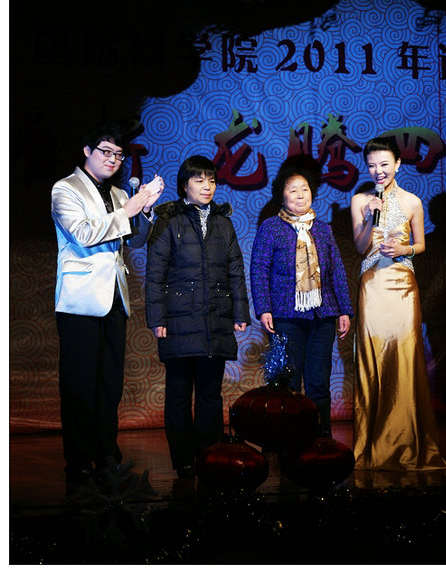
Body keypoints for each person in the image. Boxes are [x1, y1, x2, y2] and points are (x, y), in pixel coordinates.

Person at [51, 121, 164, 496]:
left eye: (118, 154)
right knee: (79, 385)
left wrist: (144, 210)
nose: (114, 159)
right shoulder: (65, 189)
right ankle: (79, 461)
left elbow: (135, 238)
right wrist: (128, 209)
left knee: (109, 384)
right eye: (106, 151)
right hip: (80, 300)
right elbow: (83, 234)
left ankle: (107, 455)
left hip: (115, 297)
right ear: (87, 151)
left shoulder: (117, 193)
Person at [145, 155, 250, 478]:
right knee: (178, 395)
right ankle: (184, 461)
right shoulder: (168, 220)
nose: (207, 186)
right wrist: (157, 318)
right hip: (178, 321)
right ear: (184, 186)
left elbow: (235, 271)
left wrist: (240, 312)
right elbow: (155, 274)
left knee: (210, 395)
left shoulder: (223, 223)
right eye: (199, 180)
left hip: (214, 320)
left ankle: (210, 457)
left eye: (212, 180)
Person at [350, 136, 446, 471]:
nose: (378, 171)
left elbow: (420, 245)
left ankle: (408, 440)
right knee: (374, 358)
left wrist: (404, 249)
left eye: (384, 164)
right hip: (373, 286)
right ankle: (373, 445)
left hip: (404, 287)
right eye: (372, 166)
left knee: (405, 357)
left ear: (398, 164)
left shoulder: (412, 202)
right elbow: (360, 247)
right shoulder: (360, 200)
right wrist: (369, 217)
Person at [250, 161, 353, 436]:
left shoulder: (323, 229)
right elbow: (259, 269)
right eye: (293, 190)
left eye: (304, 189)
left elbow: (337, 271)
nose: (300, 195)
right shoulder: (271, 227)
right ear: (281, 195)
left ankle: (322, 440)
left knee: (319, 383)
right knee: (289, 384)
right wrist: (264, 308)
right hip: (286, 316)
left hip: (322, 315)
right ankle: (290, 443)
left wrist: (344, 310)